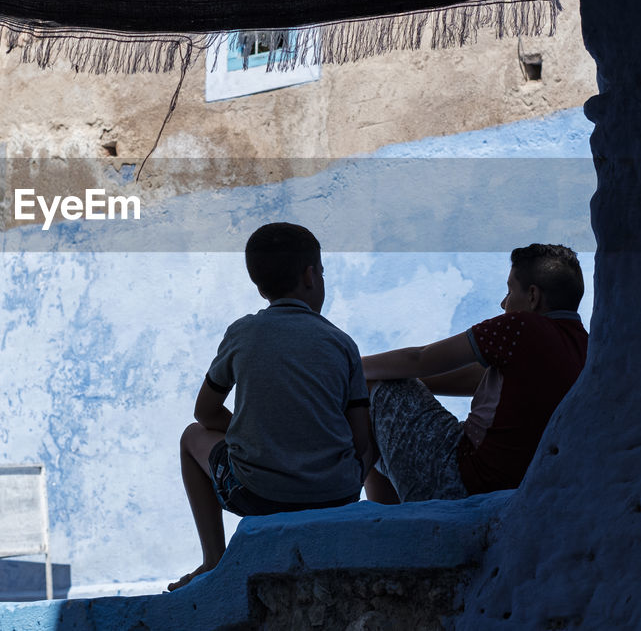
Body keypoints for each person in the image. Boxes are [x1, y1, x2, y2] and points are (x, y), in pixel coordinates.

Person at [170, 223, 375, 591]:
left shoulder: (243, 333)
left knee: (191, 437)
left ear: (260, 286)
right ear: (311, 275)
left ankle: (213, 558)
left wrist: (248, 433)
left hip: (259, 495)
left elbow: (205, 413)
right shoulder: (342, 344)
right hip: (337, 494)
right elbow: (362, 439)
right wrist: (349, 479)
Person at [362, 244, 588, 504]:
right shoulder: (588, 350)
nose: (504, 303)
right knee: (382, 386)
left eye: (510, 290)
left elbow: (420, 359)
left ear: (533, 296)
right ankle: (386, 519)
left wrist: (348, 365)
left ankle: (380, 522)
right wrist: (408, 384)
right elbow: (474, 379)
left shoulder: (520, 327)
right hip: (523, 488)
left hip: (464, 478)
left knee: (370, 387)